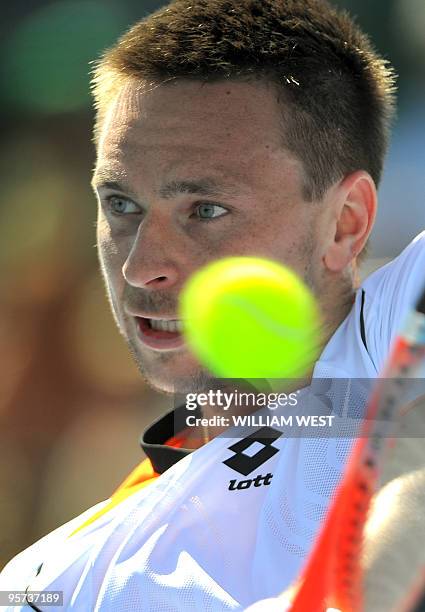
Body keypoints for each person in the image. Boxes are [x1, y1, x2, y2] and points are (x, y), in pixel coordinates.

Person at [1, 0, 424, 609]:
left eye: (206, 210)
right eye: (121, 205)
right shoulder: (50, 580)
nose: (139, 266)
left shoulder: (394, 335)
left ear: (345, 224)